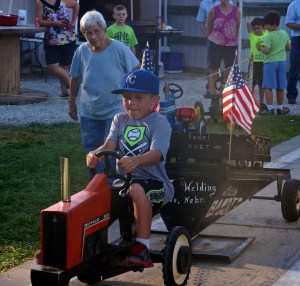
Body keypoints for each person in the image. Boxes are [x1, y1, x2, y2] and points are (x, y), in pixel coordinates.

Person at [86, 70, 174, 268]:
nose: (131, 102)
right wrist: (95, 154)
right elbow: (109, 145)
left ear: (154, 99)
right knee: (95, 196)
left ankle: (142, 249)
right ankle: (84, 246)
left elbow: (157, 154)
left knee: (135, 188)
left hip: (157, 186)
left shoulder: (159, 122)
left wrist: (136, 161)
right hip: (123, 184)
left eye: (138, 97)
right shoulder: (120, 120)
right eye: (126, 97)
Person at [69, 10, 140, 179]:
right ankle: (96, 186)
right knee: (92, 153)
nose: (93, 37)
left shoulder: (119, 49)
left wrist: (132, 98)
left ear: (104, 30)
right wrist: (71, 102)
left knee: (112, 150)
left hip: (115, 110)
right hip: (89, 111)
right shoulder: (81, 51)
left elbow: (137, 71)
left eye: (96, 31)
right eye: (88, 33)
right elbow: (75, 77)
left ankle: (116, 188)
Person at [35, 0, 79, 98]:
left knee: (64, 65)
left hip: (68, 37)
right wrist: (55, 23)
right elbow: (39, 21)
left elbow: (76, 5)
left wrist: (73, 21)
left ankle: (65, 93)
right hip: (52, 38)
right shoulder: (40, 3)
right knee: (52, 65)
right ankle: (72, 86)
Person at [259, 11, 291, 115]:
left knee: (268, 86)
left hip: (270, 62)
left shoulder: (269, 36)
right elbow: (289, 47)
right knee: (280, 86)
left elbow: (266, 50)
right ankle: (280, 108)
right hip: (282, 62)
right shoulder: (284, 33)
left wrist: (261, 48)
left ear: (273, 25)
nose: (265, 27)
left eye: (267, 25)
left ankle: (269, 108)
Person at [206, 0, 240, 96]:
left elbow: (237, 27)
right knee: (213, 69)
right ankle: (212, 96)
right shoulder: (213, 11)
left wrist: (232, 39)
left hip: (231, 44)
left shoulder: (237, 11)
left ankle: (225, 93)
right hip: (215, 43)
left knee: (229, 69)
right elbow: (209, 29)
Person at [247, 17, 269, 111]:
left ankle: (261, 102)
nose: (256, 30)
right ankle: (250, 102)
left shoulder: (266, 34)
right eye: (255, 28)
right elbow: (248, 23)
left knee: (261, 84)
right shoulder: (252, 35)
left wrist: (262, 22)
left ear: (263, 28)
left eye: (258, 28)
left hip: (264, 63)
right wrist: (254, 21)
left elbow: (266, 26)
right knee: (251, 83)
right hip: (253, 64)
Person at [285, 0, 300, 105]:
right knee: (294, 67)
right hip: (297, 38)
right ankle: (291, 95)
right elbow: (289, 23)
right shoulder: (294, 4)